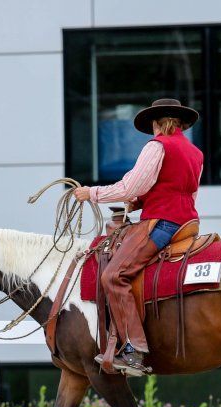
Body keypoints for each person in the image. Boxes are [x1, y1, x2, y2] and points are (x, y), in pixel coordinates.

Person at [72, 98, 203, 375]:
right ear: (180, 124)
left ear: (156, 123)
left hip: (162, 223)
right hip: (187, 223)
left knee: (113, 275)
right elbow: (186, 192)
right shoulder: (195, 152)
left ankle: (134, 349)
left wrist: (91, 193)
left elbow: (129, 186)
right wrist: (142, 201)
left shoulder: (157, 146)